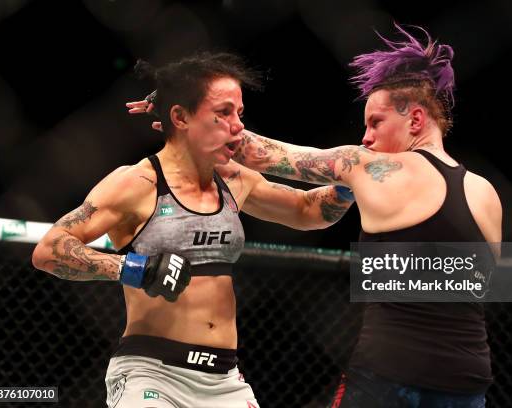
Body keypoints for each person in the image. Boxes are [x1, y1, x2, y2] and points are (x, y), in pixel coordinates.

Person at [132, 24, 502, 407]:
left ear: (415, 120)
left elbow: (265, 155)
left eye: (376, 122)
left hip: (391, 376)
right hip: (468, 382)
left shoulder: (369, 165)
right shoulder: (486, 194)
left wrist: (191, 114)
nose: (366, 138)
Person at [32, 52, 355, 408]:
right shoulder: (139, 183)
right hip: (152, 375)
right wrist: (132, 269)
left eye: (239, 114)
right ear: (180, 117)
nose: (238, 127)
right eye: (224, 112)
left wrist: (351, 184)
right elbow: (50, 250)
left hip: (225, 381)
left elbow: (308, 211)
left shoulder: (234, 178)